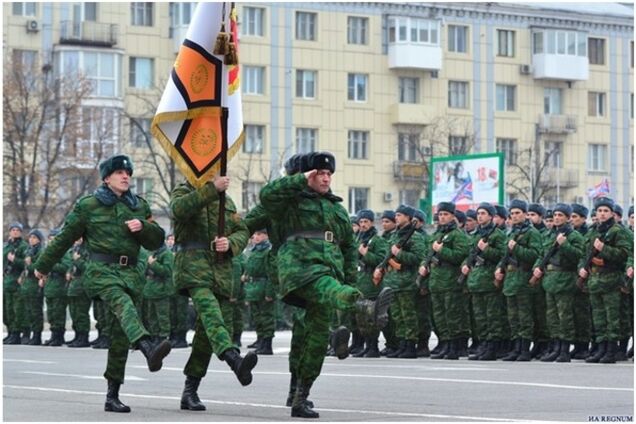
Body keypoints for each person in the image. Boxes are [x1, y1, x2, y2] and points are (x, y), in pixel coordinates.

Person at [260, 151, 393, 418]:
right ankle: (363, 307)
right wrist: (299, 180)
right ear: (308, 175)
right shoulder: (291, 202)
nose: (325, 178)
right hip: (299, 271)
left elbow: (347, 250)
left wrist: (349, 281)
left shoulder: (337, 209)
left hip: (329, 276)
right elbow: (267, 195)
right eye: (319, 173)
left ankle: (300, 396)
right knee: (323, 289)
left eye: (329, 174)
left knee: (317, 339)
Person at [35, 154, 171, 413]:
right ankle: (146, 345)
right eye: (119, 172)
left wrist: (142, 226)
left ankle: (112, 395)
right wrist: (42, 266)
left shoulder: (139, 206)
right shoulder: (89, 205)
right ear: (107, 178)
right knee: (122, 302)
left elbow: (156, 240)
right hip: (101, 271)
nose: (125, 176)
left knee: (120, 337)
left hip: (131, 273)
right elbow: (64, 238)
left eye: (128, 173)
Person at [170, 173, 257, 412]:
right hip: (193, 267)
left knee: (205, 335)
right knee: (211, 314)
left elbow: (242, 230)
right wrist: (211, 189)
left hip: (220, 270)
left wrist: (230, 243)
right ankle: (233, 359)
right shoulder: (184, 191)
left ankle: (190, 391)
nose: (213, 173)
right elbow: (178, 211)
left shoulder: (226, 202)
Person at [579, 197, 631, 364]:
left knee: (612, 317)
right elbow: (584, 253)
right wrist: (582, 267)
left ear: (611, 213)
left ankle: (611, 350)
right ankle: (600, 349)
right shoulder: (593, 231)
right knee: (598, 317)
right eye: (599, 211)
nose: (602, 214)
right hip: (594, 279)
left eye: (605, 211)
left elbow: (624, 254)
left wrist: (605, 249)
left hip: (611, 280)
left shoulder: (617, 231)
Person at [532, 203, 585, 362]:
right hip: (550, 279)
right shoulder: (549, 235)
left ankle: (564, 349)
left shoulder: (574, 236)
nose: (556, 218)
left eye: (560, 215)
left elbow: (579, 256)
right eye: (555, 215)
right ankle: (555, 347)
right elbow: (542, 254)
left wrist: (565, 244)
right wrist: (537, 267)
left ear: (568, 218)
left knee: (565, 316)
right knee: (552, 317)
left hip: (565, 279)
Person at [418, 202, 469, 360]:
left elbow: (460, 255)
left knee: (452, 316)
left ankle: (454, 347)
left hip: (450, 281)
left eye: (446, 214)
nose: (442, 217)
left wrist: (442, 250)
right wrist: (423, 266)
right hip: (436, 281)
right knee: (439, 317)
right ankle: (444, 344)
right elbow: (427, 255)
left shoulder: (457, 235)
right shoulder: (437, 234)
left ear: (453, 216)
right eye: (440, 215)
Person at [496, 200, 542, 361]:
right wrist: (499, 269)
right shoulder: (510, 233)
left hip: (523, 278)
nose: (514, 216)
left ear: (524, 214)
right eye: (512, 213)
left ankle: (524, 349)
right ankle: (515, 348)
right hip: (510, 279)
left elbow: (535, 255)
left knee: (524, 317)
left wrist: (516, 248)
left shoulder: (532, 233)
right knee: (513, 317)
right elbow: (504, 256)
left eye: (518, 213)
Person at [461, 202, 506, 361]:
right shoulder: (475, 235)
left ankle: (493, 347)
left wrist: (486, 249)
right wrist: (465, 265)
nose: (480, 216)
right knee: (480, 318)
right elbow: (470, 255)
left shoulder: (498, 235)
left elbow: (502, 256)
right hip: (476, 281)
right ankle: (483, 345)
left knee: (492, 316)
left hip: (488, 280)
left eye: (483, 213)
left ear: (491, 216)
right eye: (479, 213)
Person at [243, 229, 276, 355]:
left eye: (259, 234)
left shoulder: (268, 251)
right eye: (255, 234)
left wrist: (269, 292)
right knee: (257, 317)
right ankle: (261, 341)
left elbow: (271, 274)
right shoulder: (254, 250)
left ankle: (267, 345)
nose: (256, 237)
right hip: (254, 288)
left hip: (263, 287)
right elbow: (250, 267)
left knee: (266, 317)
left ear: (266, 236)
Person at [42, 229, 71, 346]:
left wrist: (52, 265)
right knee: (51, 314)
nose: (51, 242)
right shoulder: (47, 252)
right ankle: (53, 335)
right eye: (50, 239)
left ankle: (59, 337)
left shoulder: (63, 252)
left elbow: (66, 266)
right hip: (49, 286)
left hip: (59, 286)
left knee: (59, 313)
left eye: (54, 239)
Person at [3, 222, 28, 345]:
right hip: (7, 281)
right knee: (8, 310)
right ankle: (11, 332)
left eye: (17, 230)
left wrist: (15, 260)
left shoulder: (23, 246)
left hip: (17, 282)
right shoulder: (7, 246)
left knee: (17, 309)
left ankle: (17, 333)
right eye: (13, 229)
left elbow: (26, 263)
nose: (15, 231)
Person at [21, 229, 46, 345]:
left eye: (34, 237)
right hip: (27, 285)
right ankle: (28, 334)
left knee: (36, 312)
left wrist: (30, 264)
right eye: (30, 237)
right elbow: (25, 268)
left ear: (39, 239)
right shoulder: (29, 251)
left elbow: (39, 268)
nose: (31, 239)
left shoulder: (40, 251)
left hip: (35, 286)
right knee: (28, 311)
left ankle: (37, 336)